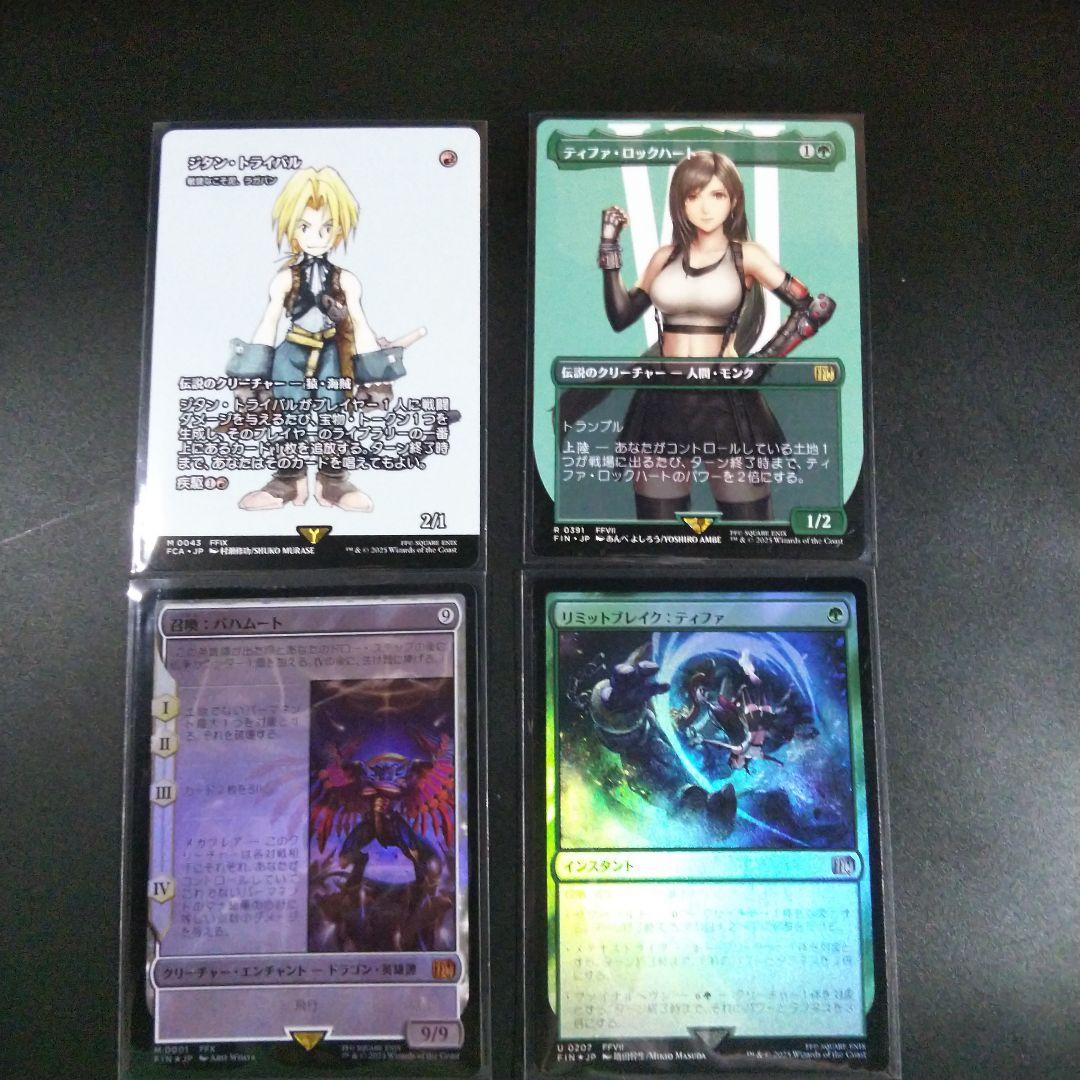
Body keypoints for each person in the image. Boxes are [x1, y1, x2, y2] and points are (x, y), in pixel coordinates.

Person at [598, 150, 836, 521]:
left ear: (734, 200)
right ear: (680, 202)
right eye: (693, 196)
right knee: (658, 536)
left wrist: (761, 363)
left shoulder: (747, 256)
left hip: (725, 399)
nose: (705, 207)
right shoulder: (664, 258)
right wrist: (609, 247)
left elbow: (814, 307)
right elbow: (621, 316)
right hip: (663, 398)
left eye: (717, 194)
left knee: (749, 533)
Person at [225, 166, 410, 511]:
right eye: (305, 227)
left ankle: (332, 483)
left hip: (332, 354)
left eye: (326, 227)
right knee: (290, 415)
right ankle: (289, 482)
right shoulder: (285, 279)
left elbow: (359, 323)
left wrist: (375, 373)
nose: (316, 236)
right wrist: (250, 371)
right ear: (292, 228)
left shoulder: (346, 280)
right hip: (291, 353)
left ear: (338, 230)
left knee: (332, 415)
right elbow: (269, 321)